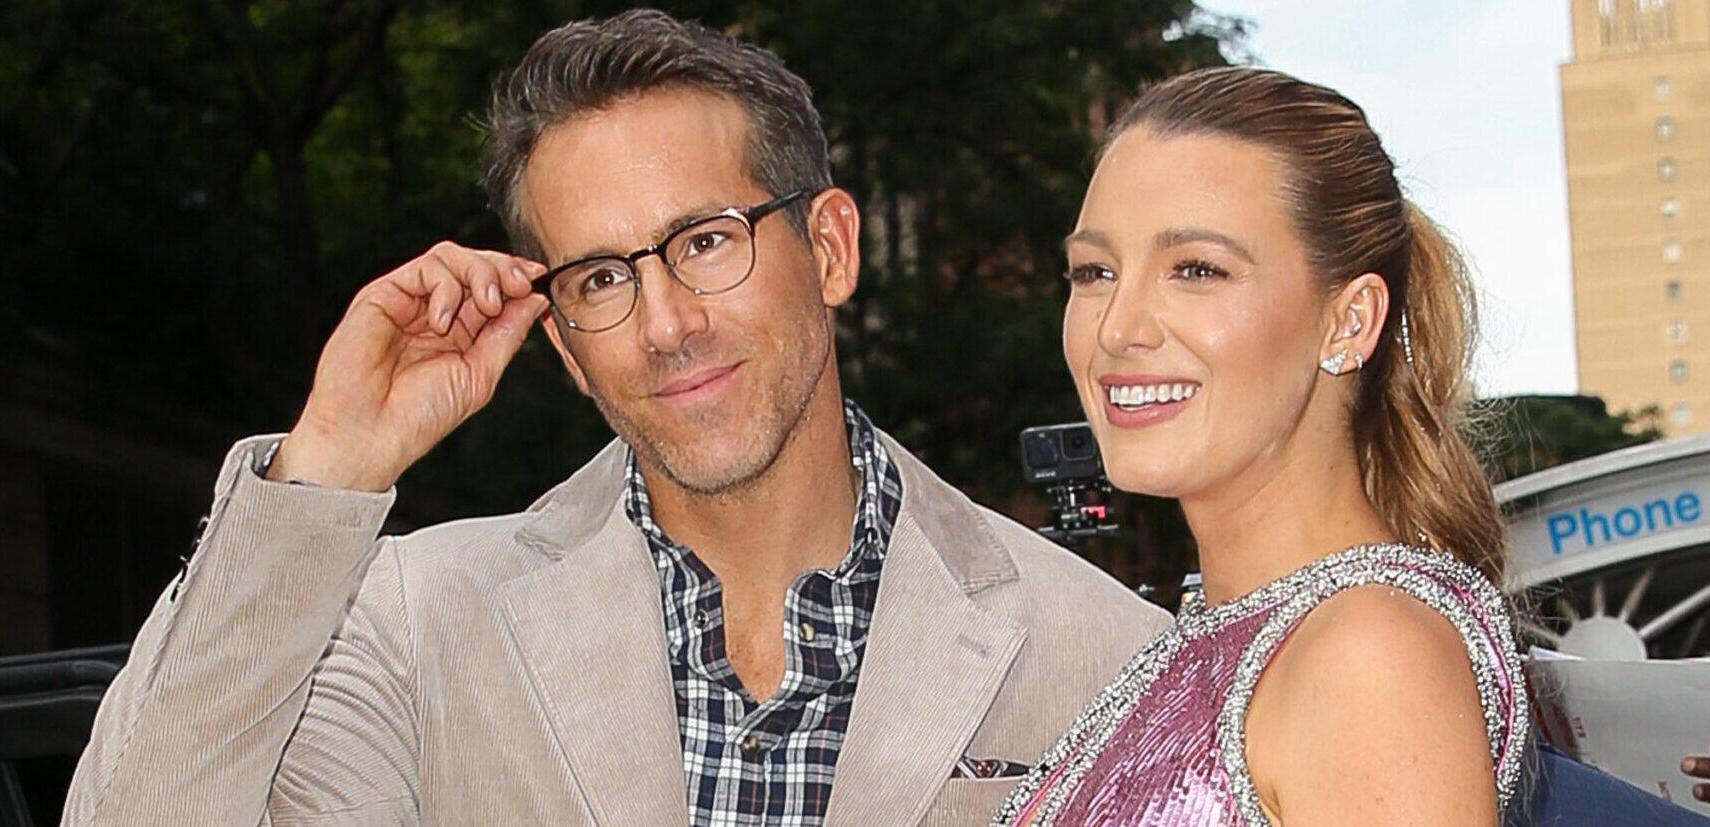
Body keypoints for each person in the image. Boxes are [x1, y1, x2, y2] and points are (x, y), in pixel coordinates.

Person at [60, 9, 1168, 826]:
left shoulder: (1108, 654)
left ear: (829, 246)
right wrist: (326, 470)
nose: (665, 322)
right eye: (599, 277)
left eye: (704, 240)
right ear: (563, 344)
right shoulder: (417, 623)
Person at [995, 67, 1531, 826]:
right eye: (1095, 271)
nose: (1117, 327)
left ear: (1348, 321)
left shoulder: (1368, 657)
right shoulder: (1225, 640)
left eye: (1197, 270)